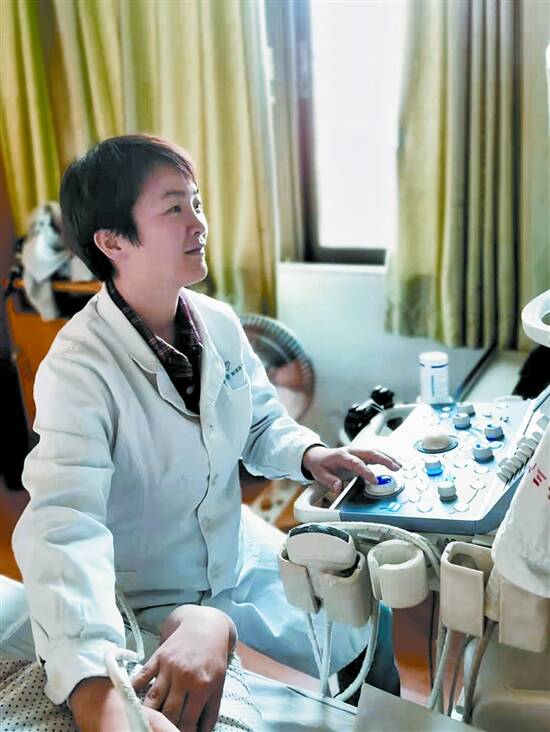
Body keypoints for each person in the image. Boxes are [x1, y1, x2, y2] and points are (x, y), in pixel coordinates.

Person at [9, 134, 401, 731]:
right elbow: (64, 526)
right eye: (174, 208)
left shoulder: (215, 322)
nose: (199, 223)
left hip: (236, 553)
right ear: (113, 242)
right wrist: (92, 685)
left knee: (363, 620)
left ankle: (374, 718)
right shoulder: (78, 367)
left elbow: (260, 421)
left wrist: (312, 453)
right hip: (150, 591)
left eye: (196, 202)